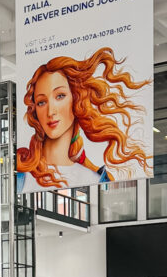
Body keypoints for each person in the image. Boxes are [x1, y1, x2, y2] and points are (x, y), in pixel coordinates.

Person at [16, 47, 151, 192]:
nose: (50, 112)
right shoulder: (19, 173)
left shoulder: (97, 179)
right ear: (35, 110)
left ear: (76, 99)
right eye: (41, 102)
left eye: (60, 96)